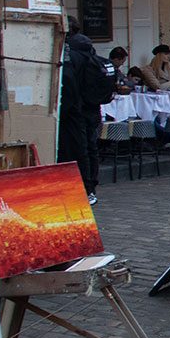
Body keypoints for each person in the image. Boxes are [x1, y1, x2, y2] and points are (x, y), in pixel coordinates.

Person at [58, 26, 113, 205]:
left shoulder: (72, 55)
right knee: (91, 148)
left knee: (79, 149)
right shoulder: (91, 54)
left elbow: (69, 84)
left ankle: (85, 187)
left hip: (78, 110)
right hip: (93, 109)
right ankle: (91, 187)